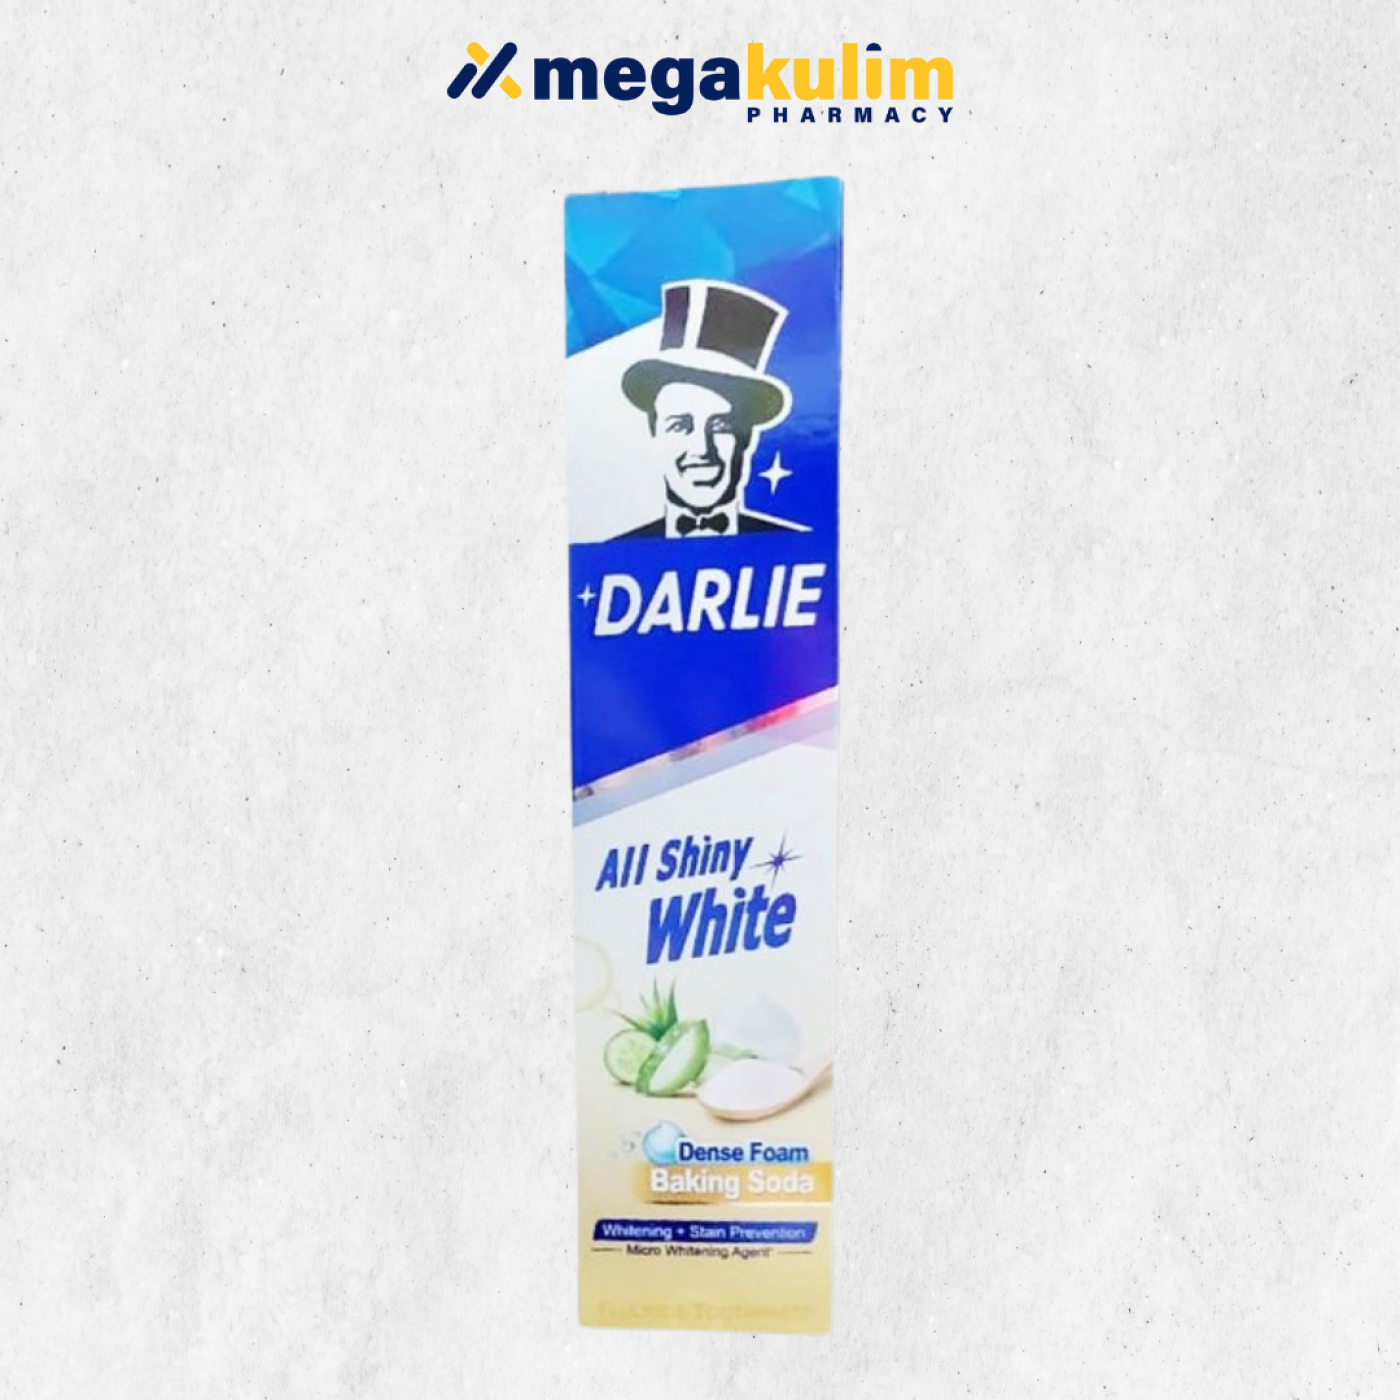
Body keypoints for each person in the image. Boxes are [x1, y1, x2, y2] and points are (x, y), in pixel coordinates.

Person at [612, 280, 802, 540]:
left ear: (747, 436)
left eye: (720, 425)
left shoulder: (790, 543)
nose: (701, 449)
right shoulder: (616, 550)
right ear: (655, 433)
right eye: (679, 425)